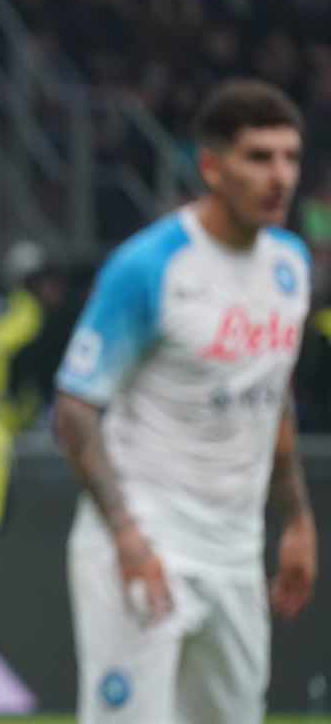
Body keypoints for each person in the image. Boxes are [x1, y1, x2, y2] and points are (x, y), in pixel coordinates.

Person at [53, 78, 318, 723]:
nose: (279, 176)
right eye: (259, 158)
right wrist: (128, 537)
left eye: (290, 157)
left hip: (234, 548)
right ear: (211, 166)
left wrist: (299, 520)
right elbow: (75, 409)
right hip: (149, 538)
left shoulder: (291, 265)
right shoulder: (150, 267)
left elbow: (270, 395)